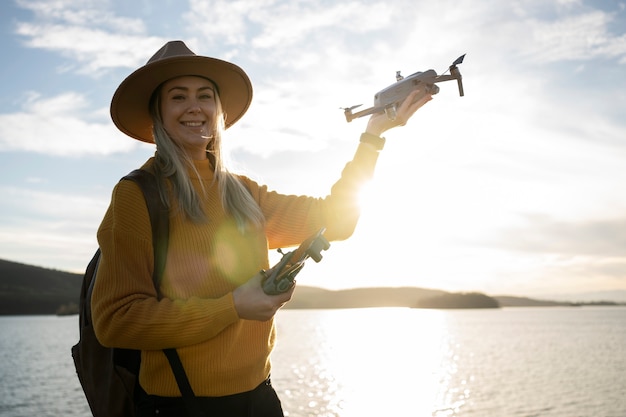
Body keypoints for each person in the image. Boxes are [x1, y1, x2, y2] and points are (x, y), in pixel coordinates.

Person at [91, 40, 432, 417]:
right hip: (180, 408)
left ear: (218, 111)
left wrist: (373, 136)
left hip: (260, 400)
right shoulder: (137, 195)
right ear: (158, 111)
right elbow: (114, 321)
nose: (194, 107)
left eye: (205, 95)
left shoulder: (243, 191)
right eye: (178, 96)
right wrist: (232, 307)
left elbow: (337, 219)